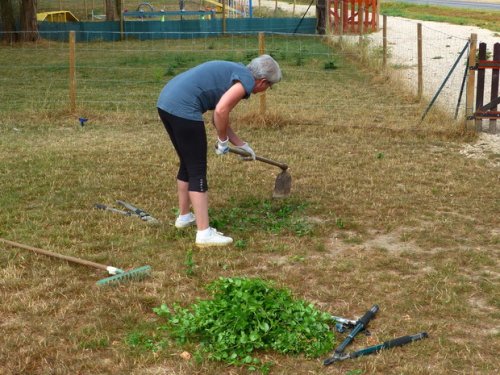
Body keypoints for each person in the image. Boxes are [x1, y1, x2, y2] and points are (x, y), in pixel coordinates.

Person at [157, 54, 282, 247]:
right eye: (269, 86)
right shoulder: (246, 81)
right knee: (197, 169)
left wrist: (240, 143)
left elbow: (220, 115)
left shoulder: (237, 72)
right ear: (262, 81)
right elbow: (221, 111)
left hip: (167, 102)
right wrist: (222, 141)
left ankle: (184, 217)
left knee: (187, 164)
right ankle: (204, 233)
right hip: (183, 108)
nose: (267, 89)